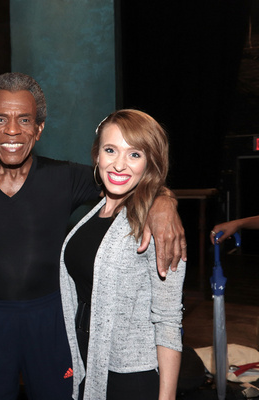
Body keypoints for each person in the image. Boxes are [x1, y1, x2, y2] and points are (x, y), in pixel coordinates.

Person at [0, 72, 187, 400]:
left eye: (24, 120)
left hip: (52, 323)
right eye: (0, 119)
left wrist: (164, 201)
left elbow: (130, 179)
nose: (12, 130)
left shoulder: (65, 177)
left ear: (39, 129)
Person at [60, 109, 186, 400]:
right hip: (88, 364)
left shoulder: (158, 225)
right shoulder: (93, 212)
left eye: (134, 154)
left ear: (150, 162)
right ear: (97, 155)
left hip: (130, 377)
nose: (119, 165)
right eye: (110, 150)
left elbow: (168, 321)